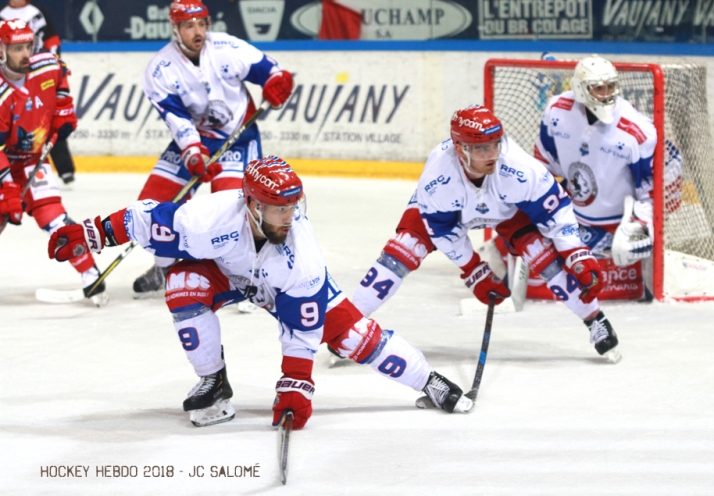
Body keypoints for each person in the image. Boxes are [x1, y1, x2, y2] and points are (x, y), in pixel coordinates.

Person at [47, 156, 473, 428]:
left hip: (279, 288)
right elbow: (145, 220)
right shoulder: (208, 218)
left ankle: (428, 380)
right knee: (182, 285)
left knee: (352, 338)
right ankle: (213, 383)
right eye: (277, 207)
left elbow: (301, 333)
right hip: (226, 273)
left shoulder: (302, 257)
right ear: (251, 204)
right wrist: (89, 234)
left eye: (292, 206)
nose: (288, 216)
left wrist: (295, 387)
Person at [352, 104, 621, 362]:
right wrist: (473, 270)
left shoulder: (521, 170)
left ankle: (595, 319)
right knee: (401, 251)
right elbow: (444, 229)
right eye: (482, 148)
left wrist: (575, 252)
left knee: (543, 256)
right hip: (450, 211)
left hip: (505, 209)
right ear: (460, 148)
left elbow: (557, 209)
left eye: (495, 144)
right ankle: (347, 326)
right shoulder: (437, 179)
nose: (492, 153)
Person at [131, 0, 294, 299]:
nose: (198, 31)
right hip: (194, 140)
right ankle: (164, 267)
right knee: (150, 205)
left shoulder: (227, 48)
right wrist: (194, 152)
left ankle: (251, 275)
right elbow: (176, 118)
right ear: (176, 28)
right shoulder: (160, 70)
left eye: (202, 24)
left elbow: (270, 70)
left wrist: (276, 83)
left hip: (238, 137)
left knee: (235, 210)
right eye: (189, 25)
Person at [532, 55, 674, 300]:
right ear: (580, 88)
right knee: (514, 239)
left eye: (610, 87)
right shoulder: (557, 110)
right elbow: (544, 162)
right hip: (570, 216)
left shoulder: (637, 131)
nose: (607, 94)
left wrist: (640, 224)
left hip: (613, 225)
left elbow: (656, 186)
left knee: (592, 266)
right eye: (599, 88)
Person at [0, 19, 106, 304]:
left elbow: (60, 78)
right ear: (2, 50)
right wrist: (8, 190)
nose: (25, 54)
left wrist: (62, 111)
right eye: (16, 48)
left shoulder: (46, 65)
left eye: (28, 46)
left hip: (35, 161)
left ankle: (90, 274)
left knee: (55, 220)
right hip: (4, 163)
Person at [0, 0, 77, 187]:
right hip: (11, 75)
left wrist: (51, 60)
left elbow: (52, 41)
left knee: (51, 121)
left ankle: (65, 169)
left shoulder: (37, 12)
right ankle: (9, 175)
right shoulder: (2, 13)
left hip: (35, 72)